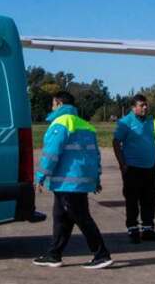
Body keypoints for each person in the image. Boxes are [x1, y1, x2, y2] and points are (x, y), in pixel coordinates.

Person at [33, 91, 113, 269]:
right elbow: (95, 156)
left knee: (81, 218)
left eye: (53, 104)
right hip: (78, 181)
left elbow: (51, 153)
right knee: (61, 218)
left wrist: (40, 176)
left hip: (68, 182)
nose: (51, 107)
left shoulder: (60, 123)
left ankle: (101, 254)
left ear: (59, 104)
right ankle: (54, 254)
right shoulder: (86, 125)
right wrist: (96, 178)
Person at [113, 94, 155, 243]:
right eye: (142, 105)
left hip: (149, 168)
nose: (145, 107)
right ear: (133, 107)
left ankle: (148, 230)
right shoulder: (125, 122)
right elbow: (116, 142)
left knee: (149, 200)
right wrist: (122, 164)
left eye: (146, 105)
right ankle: (133, 230)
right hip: (133, 168)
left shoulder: (150, 121)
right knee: (132, 200)